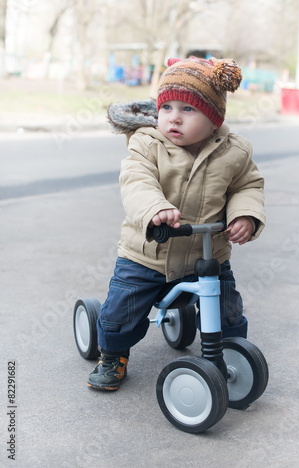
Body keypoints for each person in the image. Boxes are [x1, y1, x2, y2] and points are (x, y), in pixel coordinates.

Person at [87, 56, 266, 391]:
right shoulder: (147, 143)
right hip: (148, 253)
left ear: (214, 117)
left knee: (227, 307)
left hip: (207, 255)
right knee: (122, 311)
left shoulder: (235, 152)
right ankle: (112, 353)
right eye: (166, 107)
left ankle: (229, 350)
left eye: (188, 109)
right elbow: (137, 181)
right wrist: (154, 208)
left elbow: (247, 186)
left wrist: (246, 215)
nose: (173, 118)